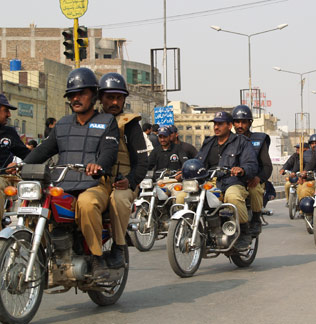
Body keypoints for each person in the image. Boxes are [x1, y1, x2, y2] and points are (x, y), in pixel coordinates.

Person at [17, 67, 119, 279]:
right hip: (63, 184)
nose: (76, 98)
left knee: (87, 204)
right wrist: (20, 165)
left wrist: (98, 166)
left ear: (93, 94)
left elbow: (109, 153)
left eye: (81, 93)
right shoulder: (62, 124)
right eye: (72, 94)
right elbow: (43, 150)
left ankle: (96, 258)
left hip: (94, 183)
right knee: (37, 200)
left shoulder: (108, 122)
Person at [98, 72, 148, 268]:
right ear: (101, 97)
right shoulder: (93, 120)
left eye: (119, 98)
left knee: (118, 199)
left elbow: (142, 162)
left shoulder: (131, 124)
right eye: (110, 97)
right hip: (96, 182)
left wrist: (130, 181)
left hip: (123, 182)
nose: (114, 102)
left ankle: (118, 247)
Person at [195, 111, 258, 250]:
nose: (216, 127)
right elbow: (198, 161)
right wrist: (187, 169)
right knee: (184, 196)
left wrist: (242, 169)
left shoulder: (242, 142)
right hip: (210, 183)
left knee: (233, 197)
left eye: (220, 124)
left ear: (229, 126)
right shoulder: (208, 143)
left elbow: (252, 164)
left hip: (232, 182)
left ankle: (244, 232)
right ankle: (189, 229)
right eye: (215, 124)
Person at [232, 105, 272, 234]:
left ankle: (256, 219)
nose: (240, 125)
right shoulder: (228, 140)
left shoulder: (259, 140)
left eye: (244, 122)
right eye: (237, 122)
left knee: (255, 190)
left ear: (250, 123)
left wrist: (258, 178)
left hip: (252, 180)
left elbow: (267, 166)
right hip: (233, 181)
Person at [0, 94, 31, 230]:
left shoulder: (9, 132)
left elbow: (29, 156)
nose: (9, 114)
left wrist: (18, 166)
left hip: (4, 177)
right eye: (5, 110)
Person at [148, 126, 188, 195]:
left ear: (170, 136)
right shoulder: (155, 151)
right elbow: (147, 165)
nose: (162, 139)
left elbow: (185, 163)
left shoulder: (177, 148)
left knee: (178, 195)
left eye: (165, 137)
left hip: (174, 182)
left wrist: (181, 173)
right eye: (160, 137)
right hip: (159, 182)